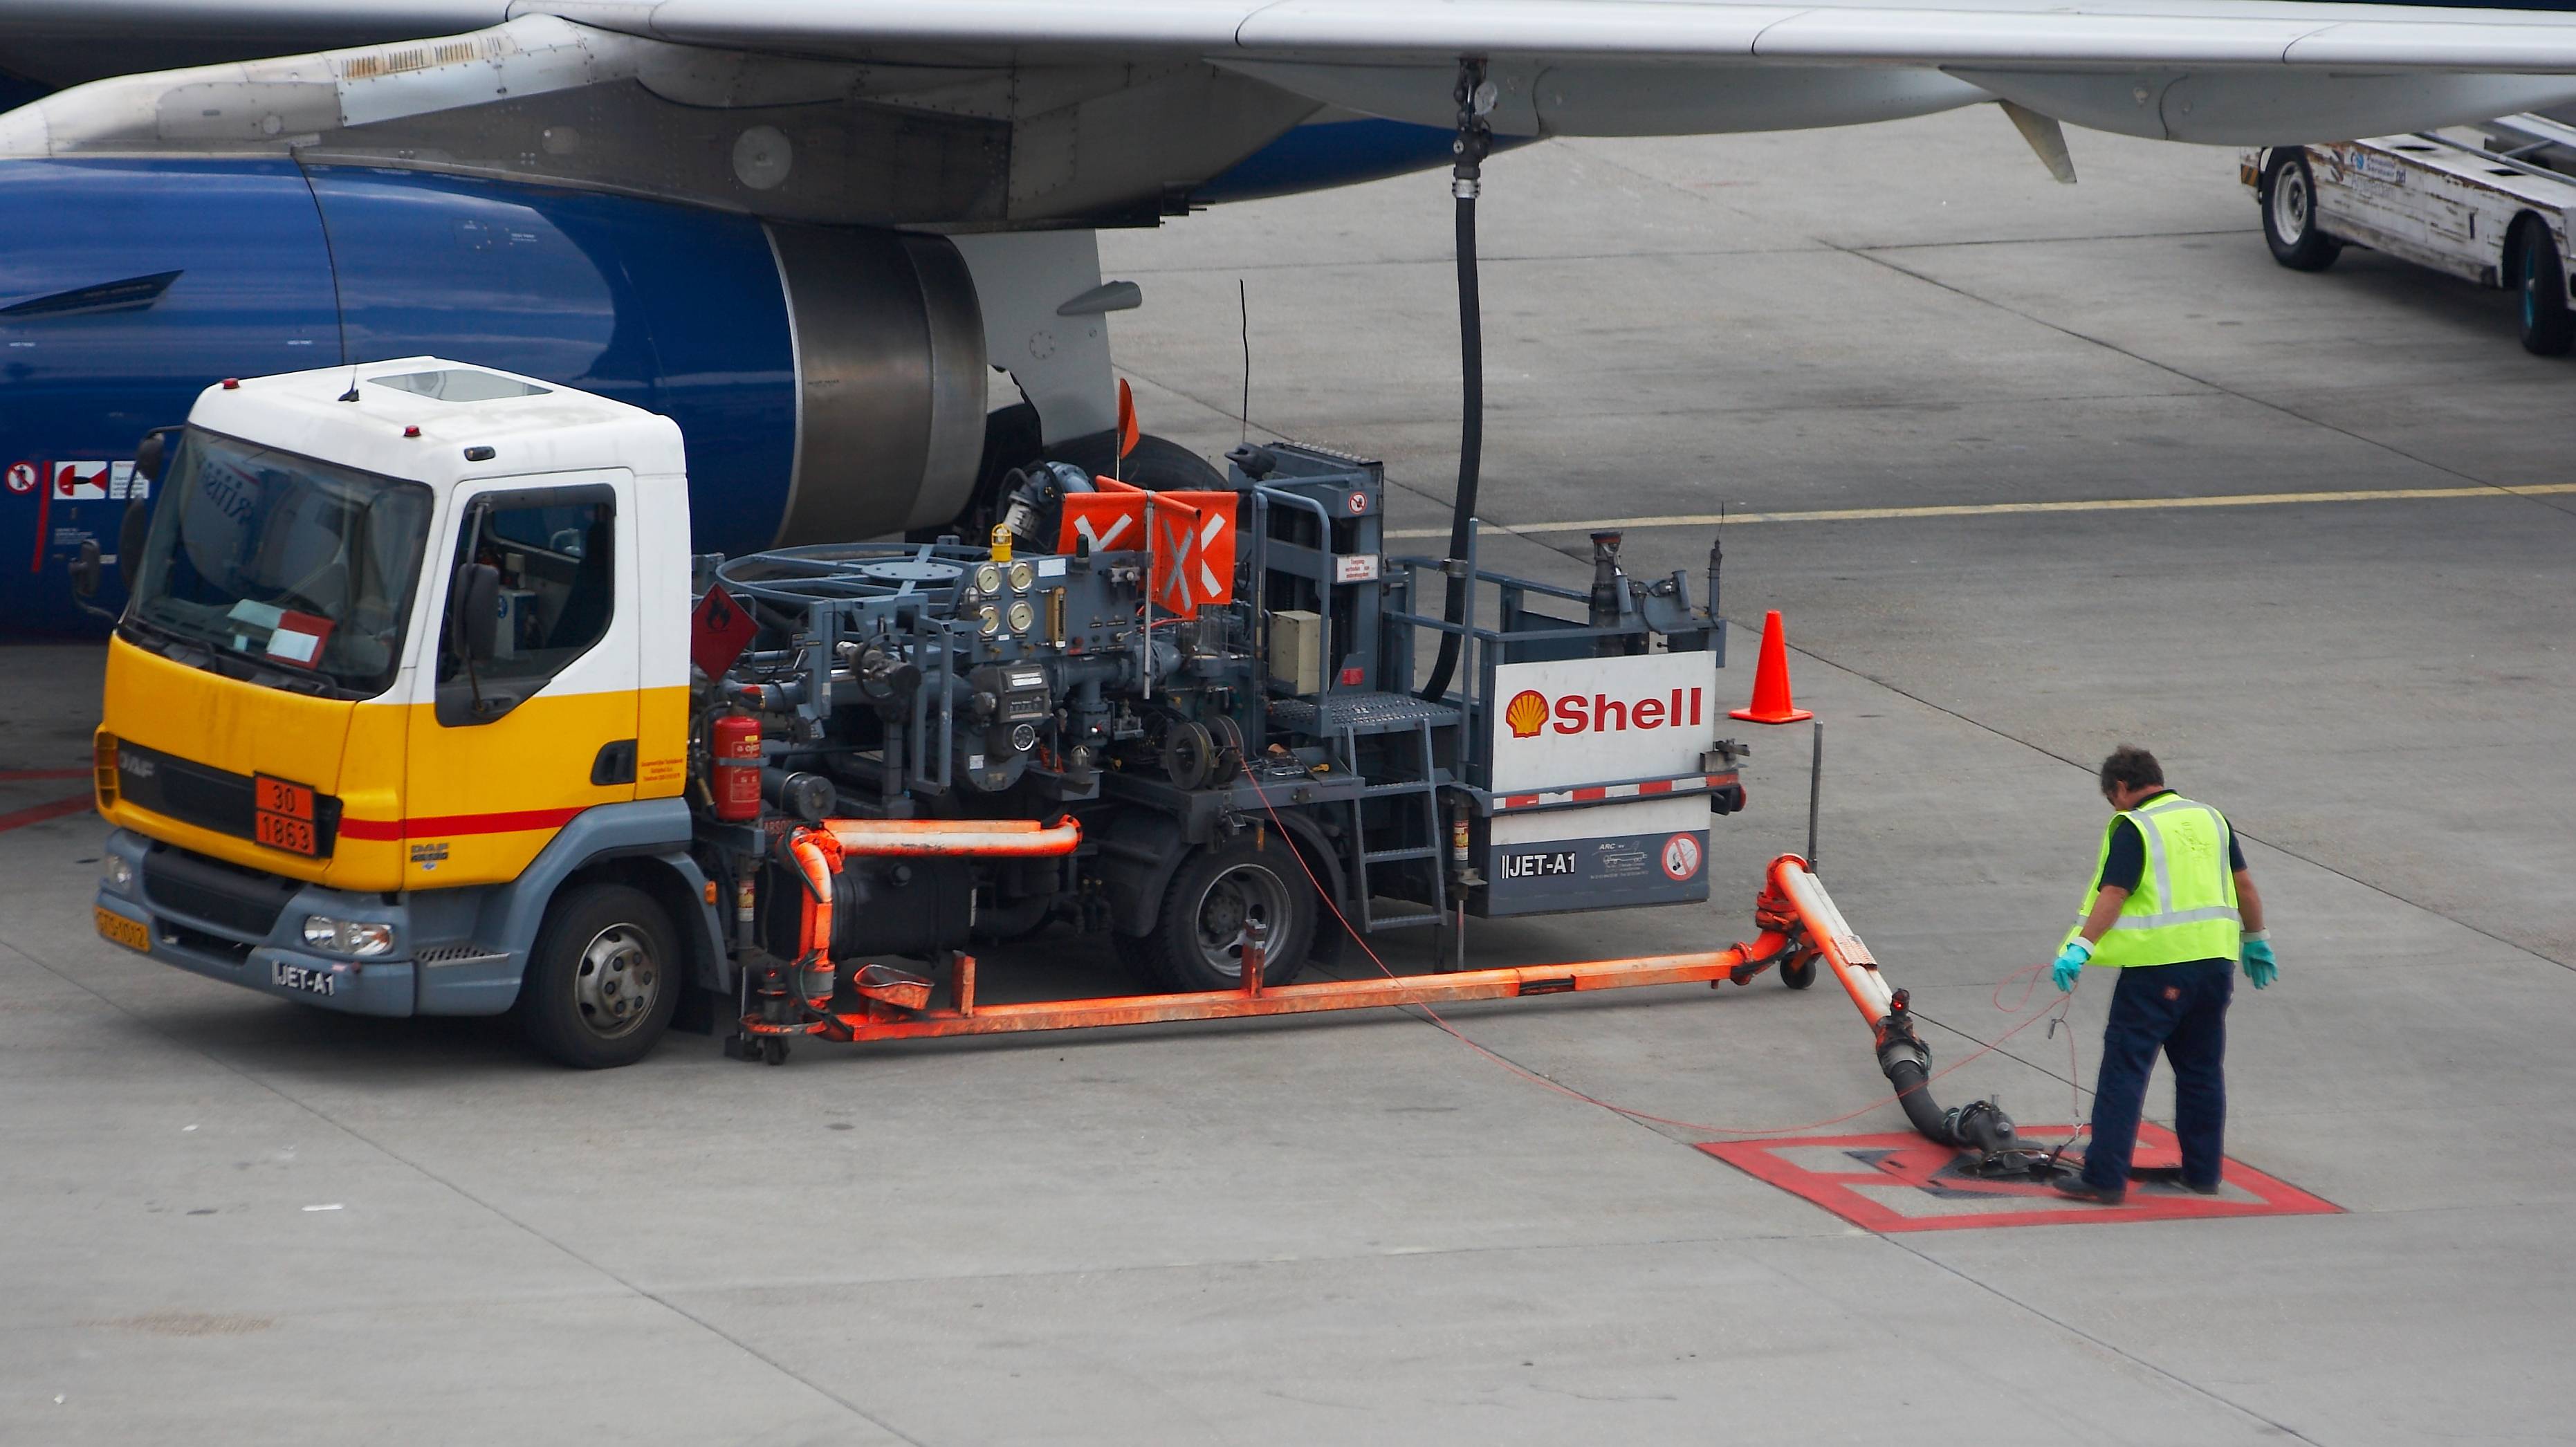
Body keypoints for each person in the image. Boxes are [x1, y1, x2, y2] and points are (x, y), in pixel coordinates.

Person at [2049, 746, 2273, 1205]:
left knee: (2125, 1071)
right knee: (2201, 1071)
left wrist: (2081, 946)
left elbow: (2114, 893)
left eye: (2113, 798)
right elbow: (2244, 885)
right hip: (2215, 966)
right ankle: (2202, 1173)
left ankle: (2104, 1179)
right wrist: (2256, 939)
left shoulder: (2135, 827)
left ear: (2121, 788)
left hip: (2159, 972)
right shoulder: (2211, 818)